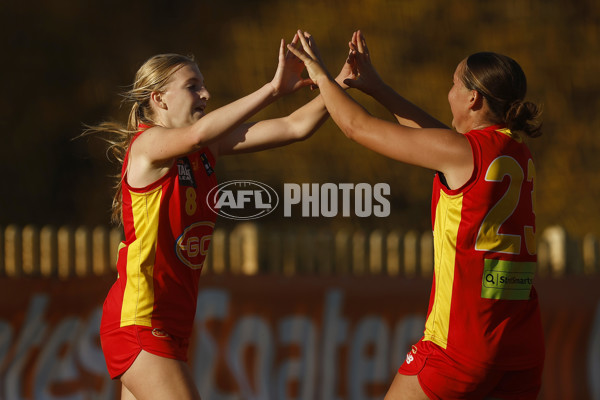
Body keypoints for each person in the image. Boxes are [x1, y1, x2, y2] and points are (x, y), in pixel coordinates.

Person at [86, 35, 353, 400]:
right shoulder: (147, 146)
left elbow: (295, 127)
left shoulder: (205, 149)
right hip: (138, 322)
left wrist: (336, 81)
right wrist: (272, 89)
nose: (206, 94)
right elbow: (196, 134)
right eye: (192, 87)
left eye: (203, 85)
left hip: (173, 325)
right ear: (159, 98)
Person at [288, 30, 544, 399]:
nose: (449, 90)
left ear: (473, 98)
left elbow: (356, 127)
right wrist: (376, 87)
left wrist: (322, 76)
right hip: (521, 347)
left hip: (461, 346)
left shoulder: (464, 153)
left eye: (454, 84)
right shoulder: (514, 150)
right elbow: (435, 140)